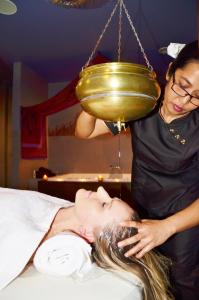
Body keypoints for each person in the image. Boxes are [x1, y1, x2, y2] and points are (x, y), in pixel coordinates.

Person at [75, 40, 199, 300]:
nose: (184, 100)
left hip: (184, 221)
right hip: (142, 210)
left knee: (183, 283)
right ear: (169, 72)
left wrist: (167, 227)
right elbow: (84, 132)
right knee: (146, 279)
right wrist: (92, 98)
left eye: (198, 96)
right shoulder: (142, 105)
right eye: (182, 86)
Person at [0, 186, 172, 299]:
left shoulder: (21, 236)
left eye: (104, 204)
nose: (101, 189)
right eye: (110, 197)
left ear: (88, 233)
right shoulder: (63, 209)